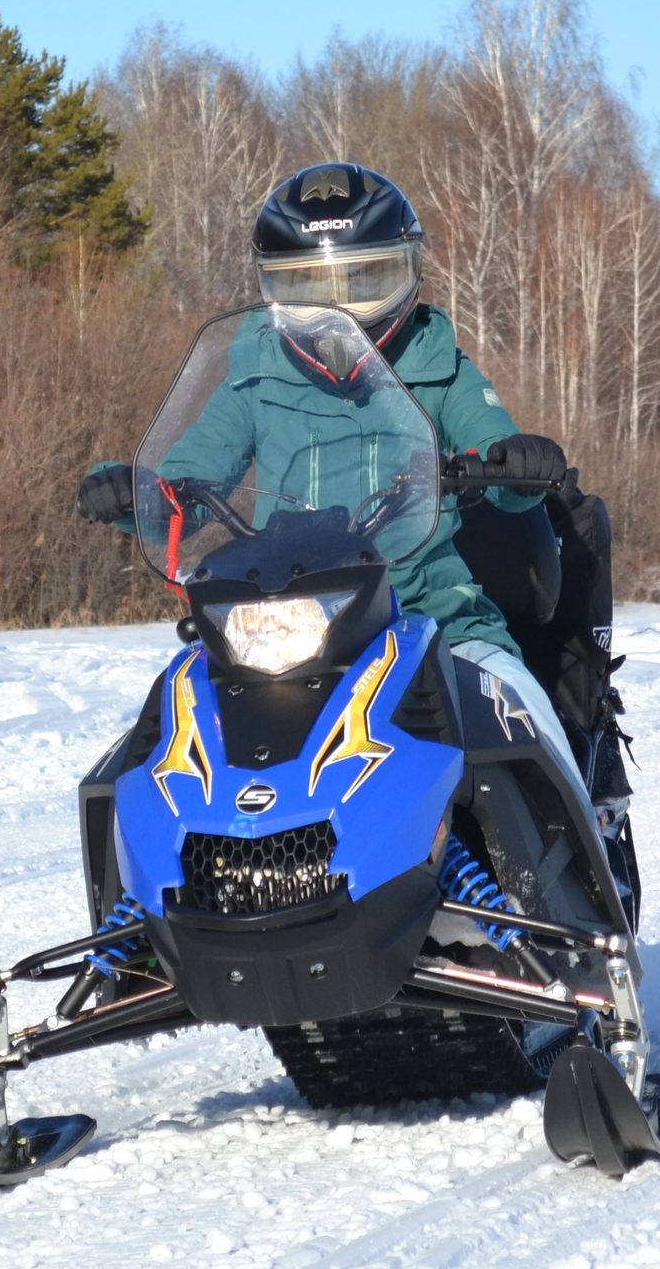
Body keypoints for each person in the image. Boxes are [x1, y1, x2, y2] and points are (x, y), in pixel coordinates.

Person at [76, 161, 592, 809]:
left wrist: (515, 460)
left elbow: (494, 450)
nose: (338, 313)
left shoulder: (437, 364)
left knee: (521, 720)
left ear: (405, 273)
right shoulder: (255, 371)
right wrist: (134, 493)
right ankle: (155, 897)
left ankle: (576, 876)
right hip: (289, 629)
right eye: (308, 289)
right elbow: (185, 480)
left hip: (432, 620)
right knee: (157, 756)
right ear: (273, 290)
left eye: (364, 280)